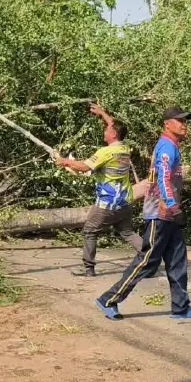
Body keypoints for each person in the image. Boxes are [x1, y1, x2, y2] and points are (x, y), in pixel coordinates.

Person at [95, 106, 191, 321]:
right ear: (167, 124)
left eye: (185, 121)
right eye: (179, 120)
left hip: (169, 215)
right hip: (159, 215)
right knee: (147, 262)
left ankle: (180, 308)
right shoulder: (165, 148)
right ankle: (108, 299)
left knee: (178, 261)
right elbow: (162, 179)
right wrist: (173, 206)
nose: (184, 124)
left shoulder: (173, 146)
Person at [54, 103, 143, 277]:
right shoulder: (124, 148)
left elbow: (84, 167)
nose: (104, 131)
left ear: (113, 134)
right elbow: (115, 125)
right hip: (124, 200)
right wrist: (103, 114)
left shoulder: (105, 152)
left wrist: (64, 161)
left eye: (106, 129)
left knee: (90, 231)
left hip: (107, 203)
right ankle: (150, 259)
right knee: (127, 232)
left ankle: (88, 268)